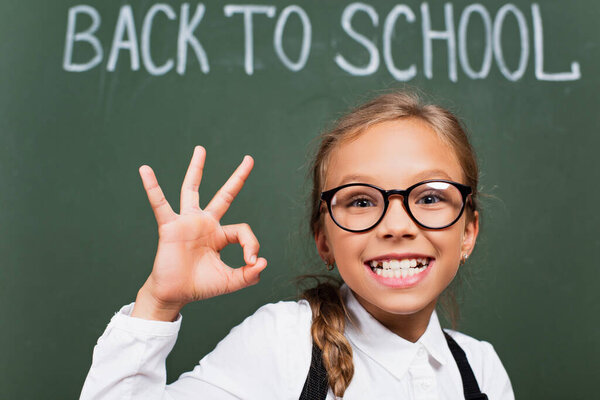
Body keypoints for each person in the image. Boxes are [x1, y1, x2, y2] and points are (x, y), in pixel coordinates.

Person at [80, 90, 514, 399]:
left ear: (468, 233)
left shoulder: (481, 369)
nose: (397, 225)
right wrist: (157, 304)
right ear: (324, 239)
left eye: (430, 197)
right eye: (361, 200)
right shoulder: (283, 344)